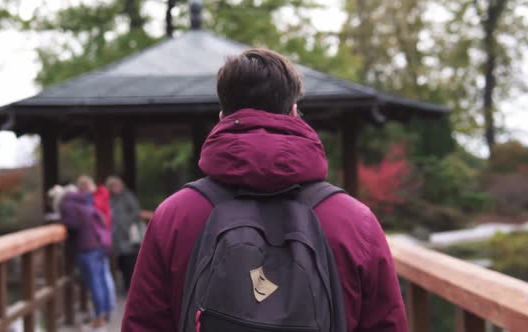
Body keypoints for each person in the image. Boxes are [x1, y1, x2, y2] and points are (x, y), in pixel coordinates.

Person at [122, 49, 407, 332]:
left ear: (222, 116)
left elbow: (142, 324)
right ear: (294, 112)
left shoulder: (175, 215)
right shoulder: (355, 221)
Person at [49, 185, 112, 329]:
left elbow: (73, 224)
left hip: (86, 248)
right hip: (98, 244)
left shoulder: (67, 205)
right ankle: (104, 315)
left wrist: (59, 222)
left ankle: (99, 319)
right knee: (101, 281)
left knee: (94, 283)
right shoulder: (81, 201)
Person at [76, 175, 116, 317]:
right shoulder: (103, 196)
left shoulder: (92, 201)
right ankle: (108, 309)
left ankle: (102, 313)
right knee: (105, 275)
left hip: (95, 242)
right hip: (104, 240)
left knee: (98, 279)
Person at [106, 176, 142, 292]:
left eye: (117, 185)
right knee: (120, 262)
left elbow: (136, 212)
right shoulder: (109, 198)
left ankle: (130, 287)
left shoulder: (127, 197)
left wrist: (126, 223)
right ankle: (124, 285)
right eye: (113, 186)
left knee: (130, 261)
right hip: (116, 235)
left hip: (128, 235)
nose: (115, 188)